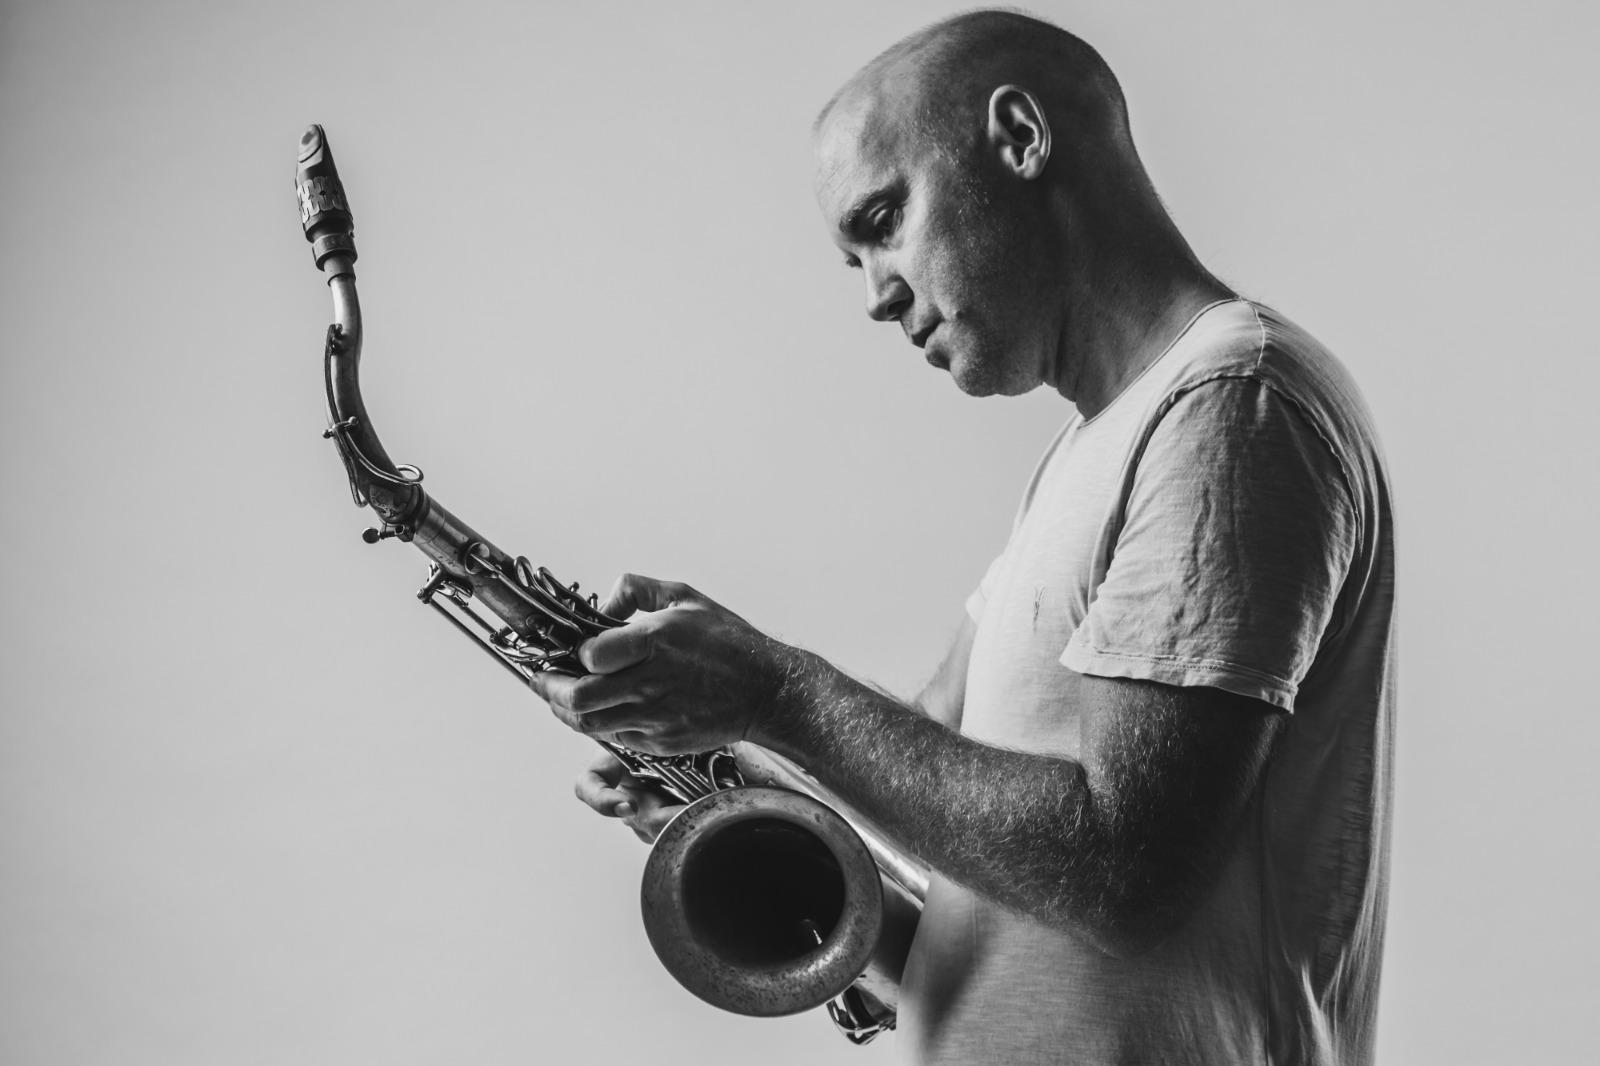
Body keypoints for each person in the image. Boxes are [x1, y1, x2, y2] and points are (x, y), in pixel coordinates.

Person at [533, 10, 1396, 1065]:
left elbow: (1120, 873)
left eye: (883, 219)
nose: (875, 295)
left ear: (1020, 137)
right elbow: (984, 890)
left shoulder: (1232, 404)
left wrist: (771, 692)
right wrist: (722, 780)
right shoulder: (1087, 452)